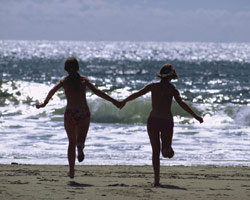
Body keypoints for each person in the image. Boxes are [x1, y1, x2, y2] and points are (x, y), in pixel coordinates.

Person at [36, 57, 120, 178]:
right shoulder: (84, 80)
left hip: (70, 113)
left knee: (71, 142)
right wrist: (114, 101)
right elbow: (97, 92)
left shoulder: (63, 81)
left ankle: (71, 171)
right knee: (80, 140)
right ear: (77, 67)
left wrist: (44, 103)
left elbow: (52, 91)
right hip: (83, 112)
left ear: (65, 68)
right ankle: (80, 147)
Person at [120, 64, 203, 186]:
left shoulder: (153, 86)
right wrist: (196, 116)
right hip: (166, 122)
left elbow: (137, 94)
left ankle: (156, 180)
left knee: (155, 151)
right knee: (165, 152)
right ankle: (167, 149)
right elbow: (182, 104)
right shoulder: (172, 89)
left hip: (153, 120)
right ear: (171, 77)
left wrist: (123, 101)